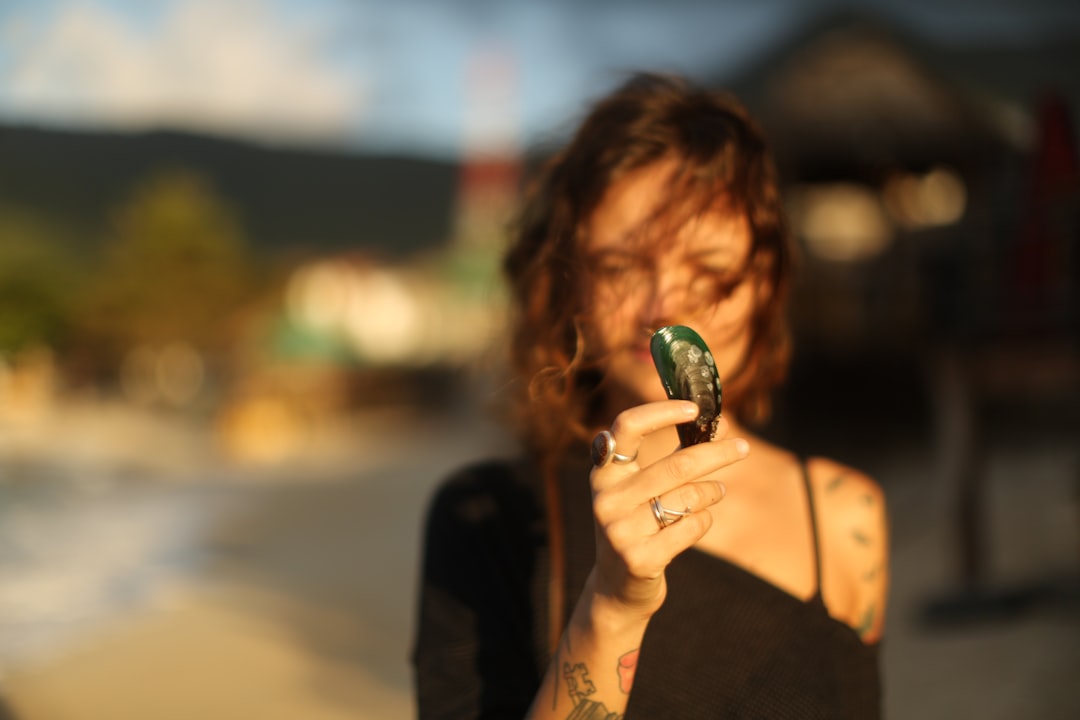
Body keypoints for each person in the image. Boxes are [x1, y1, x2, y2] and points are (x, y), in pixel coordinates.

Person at [412, 73, 889, 719]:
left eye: (711, 272)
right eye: (619, 267)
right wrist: (610, 605)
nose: (663, 307)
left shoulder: (843, 513)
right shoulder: (486, 516)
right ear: (569, 285)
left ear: (765, 285)